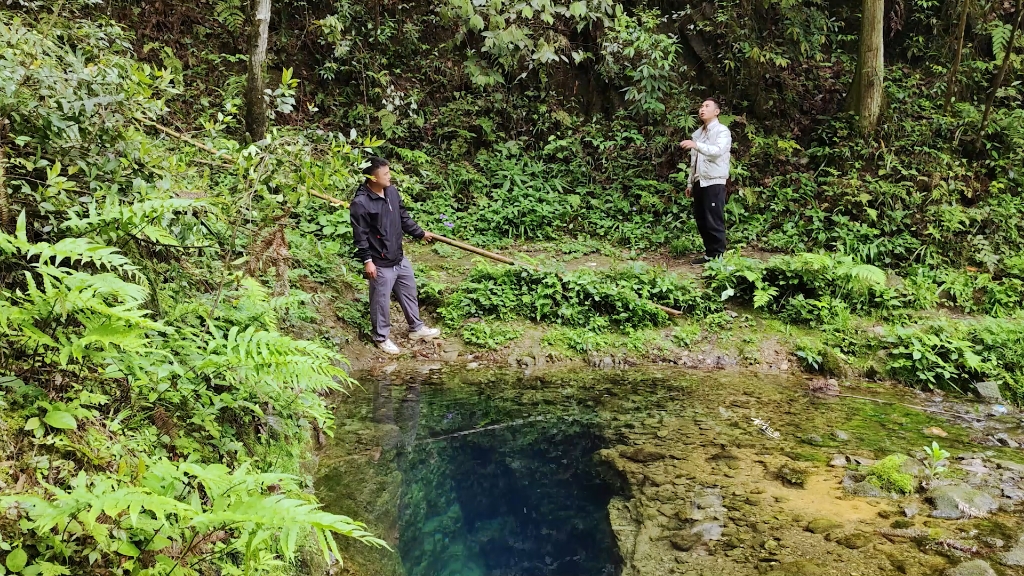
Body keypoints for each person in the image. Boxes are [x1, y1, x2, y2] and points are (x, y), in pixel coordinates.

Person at [350, 156, 441, 354]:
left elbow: (403, 217)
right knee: (380, 301)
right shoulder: (361, 203)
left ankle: (416, 328)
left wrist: (420, 233)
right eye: (386, 174)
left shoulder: (391, 192)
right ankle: (381, 337)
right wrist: (367, 261)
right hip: (379, 262)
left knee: (409, 291)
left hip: (398, 257)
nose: (390, 176)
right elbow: (360, 236)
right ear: (373, 178)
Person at [680, 98, 732, 265]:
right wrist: (690, 183)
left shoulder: (722, 131)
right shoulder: (698, 134)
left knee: (714, 220)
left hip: (714, 181)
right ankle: (710, 254)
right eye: (701, 106)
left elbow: (717, 151)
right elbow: (694, 162)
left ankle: (718, 256)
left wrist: (696, 145)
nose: (702, 109)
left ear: (716, 112)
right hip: (699, 182)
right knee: (702, 220)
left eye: (707, 106)